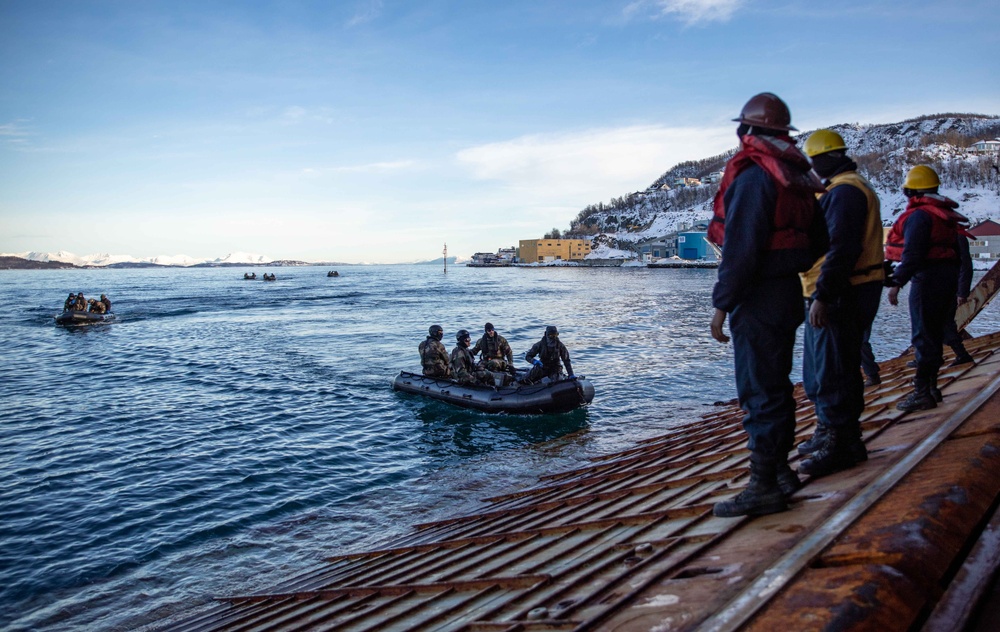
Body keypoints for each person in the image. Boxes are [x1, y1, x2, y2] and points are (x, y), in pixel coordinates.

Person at [707, 92, 827, 518]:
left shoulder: (754, 177)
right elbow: (821, 243)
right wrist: (785, 265)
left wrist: (722, 305)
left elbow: (740, 250)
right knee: (777, 386)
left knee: (758, 389)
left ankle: (763, 485)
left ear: (747, 131)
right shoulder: (793, 179)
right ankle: (780, 472)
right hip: (787, 293)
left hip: (757, 296)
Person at [796, 129, 884, 478]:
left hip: (843, 291)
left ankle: (842, 443)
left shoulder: (845, 191)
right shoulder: (849, 187)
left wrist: (824, 295)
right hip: (849, 288)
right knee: (827, 367)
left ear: (820, 159)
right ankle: (831, 431)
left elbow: (841, 249)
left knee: (835, 368)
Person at [886, 165, 970, 411]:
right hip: (946, 279)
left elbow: (912, 255)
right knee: (934, 334)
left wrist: (895, 284)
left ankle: (923, 392)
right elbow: (955, 255)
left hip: (927, 281)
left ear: (910, 191)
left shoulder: (920, 216)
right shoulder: (943, 217)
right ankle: (932, 388)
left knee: (924, 336)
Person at [942, 233, 975, 366]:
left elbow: (965, 266)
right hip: (944, 288)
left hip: (950, 289)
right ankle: (929, 356)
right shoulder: (945, 235)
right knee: (938, 323)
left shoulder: (957, 237)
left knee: (944, 323)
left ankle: (962, 354)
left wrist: (962, 292)